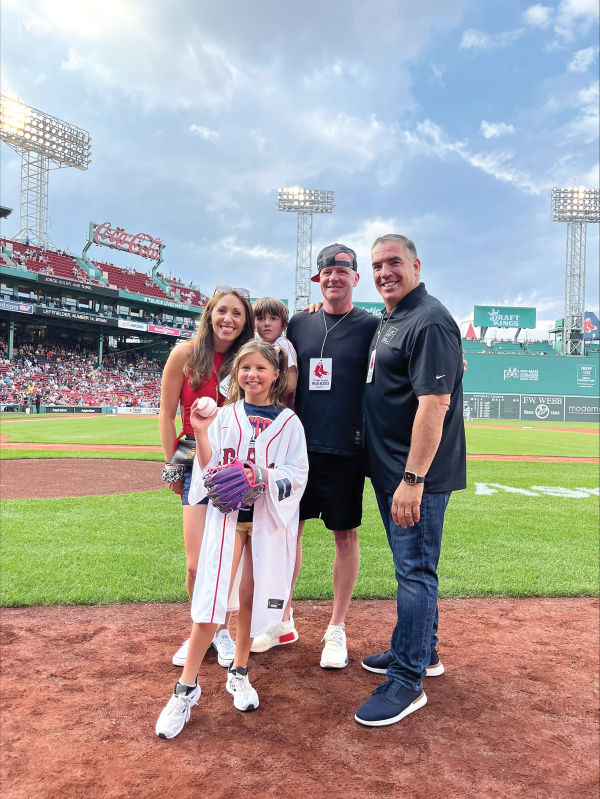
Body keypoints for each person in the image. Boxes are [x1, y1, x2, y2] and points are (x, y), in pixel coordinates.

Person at [155, 340, 308, 739]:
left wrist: (263, 476)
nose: (252, 375)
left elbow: (299, 474)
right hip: (225, 518)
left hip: (264, 521)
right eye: (245, 368)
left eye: (261, 368)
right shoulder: (223, 415)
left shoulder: (290, 423)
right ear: (235, 375)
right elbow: (207, 468)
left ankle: (238, 672)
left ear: (276, 375)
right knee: (210, 598)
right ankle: (185, 689)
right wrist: (202, 433)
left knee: (250, 597)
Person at [354, 233, 466, 727]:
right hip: (391, 470)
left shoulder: (430, 320)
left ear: (416, 265)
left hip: (413, 475)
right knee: (412, 567)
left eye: (394, 262)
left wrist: (413, 478)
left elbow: (434, 405)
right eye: (377, 265)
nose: (384, 272)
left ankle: (407, 679)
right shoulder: (394, 317)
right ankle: (424, 651)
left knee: (414, 572)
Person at [251, 244, 378, 667]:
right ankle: (281, 619)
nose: (333, 278)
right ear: (317, 279)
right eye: (327, 272)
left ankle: (336, 630)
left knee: (345, 537)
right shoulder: (300, 324)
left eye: (342, 271)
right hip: (297, 451)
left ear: (355, 278)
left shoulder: (372, 325)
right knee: (289, 536)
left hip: (346, 446)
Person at [159, 287, 255, 669]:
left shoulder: (247, 358)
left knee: (229, 560)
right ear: (210, 313)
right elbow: (166, 415)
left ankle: (223, 630)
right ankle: (206, 630)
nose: (228, 319)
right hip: (191, 456)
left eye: (237, 313)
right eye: (222, 311)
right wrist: (171, 468)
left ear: (245, 321)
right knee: (197, 564)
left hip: (234, 464)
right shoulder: (185, 353)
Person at [252, 296, 298, 397]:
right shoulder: (253, 347)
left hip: (277, 407)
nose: (267, 323)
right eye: (261, 318)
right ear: (254, 325)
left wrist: (260, 389)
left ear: (284, 325)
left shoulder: (283, 344)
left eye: (273, 318)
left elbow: (291, 384)